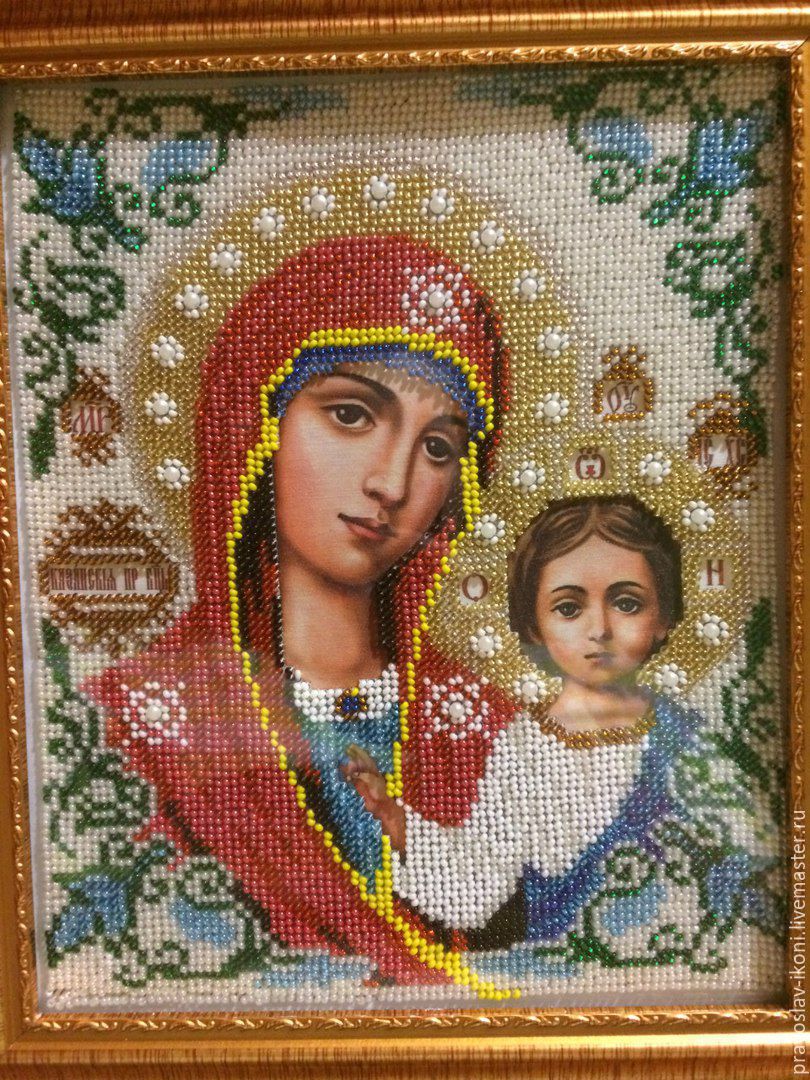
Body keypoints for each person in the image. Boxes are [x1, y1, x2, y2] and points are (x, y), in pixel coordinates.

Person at [83, 234, 519, 993]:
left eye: (438, 448)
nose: (392, 483)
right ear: (254, 425)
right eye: (351, 414)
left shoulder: (483, 724)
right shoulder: (143, 723)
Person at [348, 495, 704, 942]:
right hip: (558, 957)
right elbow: (481, 885)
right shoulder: (522, 745)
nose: (600, 629)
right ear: (534, 623)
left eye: (627, 603)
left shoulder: (687, 739)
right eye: (569, 608)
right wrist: (396, 821)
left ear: (664, 617)